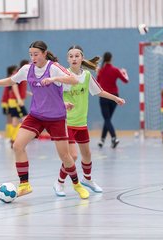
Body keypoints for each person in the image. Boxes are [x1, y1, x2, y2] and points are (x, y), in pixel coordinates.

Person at [0, 40, 90, 199]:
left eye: (36, 54)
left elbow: (74, 80)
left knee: (65, 156)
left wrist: (54, 79)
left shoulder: (53, 68)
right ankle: (24, 185)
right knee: (18, 146)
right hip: (36, 116)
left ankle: (77, 185)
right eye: (31, 54)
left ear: (44, 54)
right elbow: (11, 80)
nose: (33, 57)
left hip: (56, 118)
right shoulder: (27, 69)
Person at [53, 45, 125, 197]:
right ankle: (59, 182)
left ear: (82, 58)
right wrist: (64, 104)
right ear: (67, 59)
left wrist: (115, 98)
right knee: (72, 156)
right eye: (71, 56)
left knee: (87, 154)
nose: (74, 58)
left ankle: (87, 179)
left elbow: (99, 91)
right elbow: (54, 97)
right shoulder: (64, 75)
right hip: (67, 122)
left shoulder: (86, 76)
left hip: (81, 123)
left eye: (77, 55)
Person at [96, 52, 129, 149]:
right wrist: (124, 72)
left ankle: (114, 138)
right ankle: (102, 140)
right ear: (111, 59)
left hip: (104, 97)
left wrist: (98, 74)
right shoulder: (116, 70)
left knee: (107, 119)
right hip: (115, 98)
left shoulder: (101, 71)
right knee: (108, 119)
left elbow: (97, 83)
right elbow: (126, 80)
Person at [8, 59, 29, 147]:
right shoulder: (18, 73)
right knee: (25, 119)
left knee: (15, 121)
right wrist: (19, 98)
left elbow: (21, 89)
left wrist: (28, 93)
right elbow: (14, 86)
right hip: (16, 101)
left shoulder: (24, 75)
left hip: (15, 101)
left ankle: (13, 139)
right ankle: (16, 139)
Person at [1, 66, 18, 143]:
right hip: (7, 102)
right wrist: (7, 103)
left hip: (8, 101)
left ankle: (10, 136)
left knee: (10, 119)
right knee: (9, 120)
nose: (16, 72)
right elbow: (8, 93)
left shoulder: (12, 79)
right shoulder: (10, 80)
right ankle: (9, 136)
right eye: (15, 70)